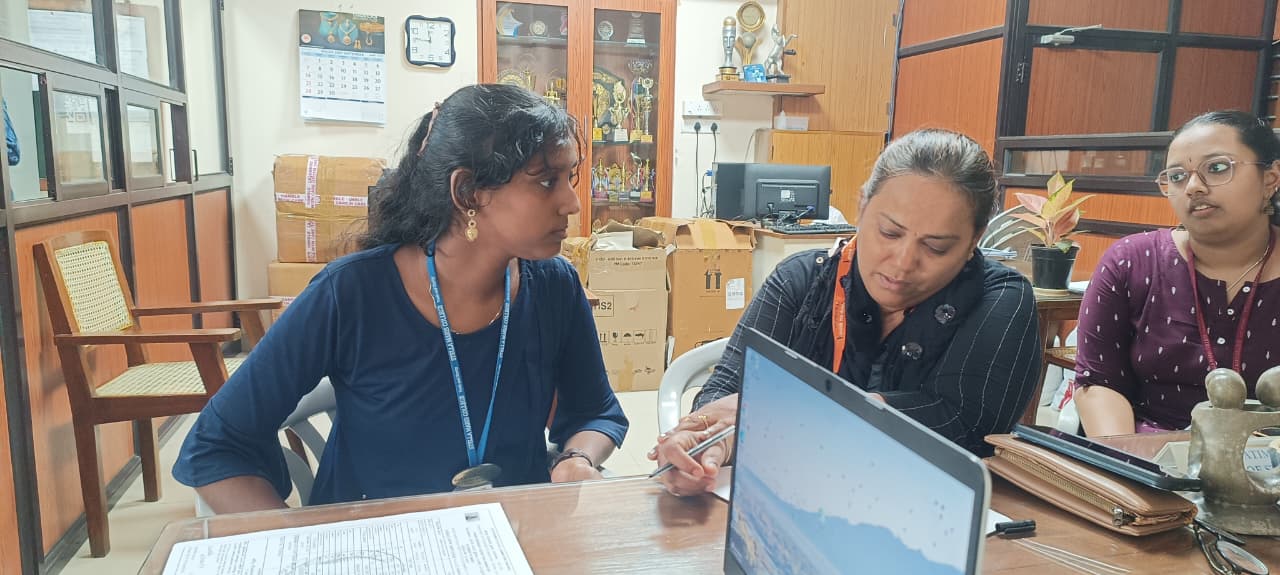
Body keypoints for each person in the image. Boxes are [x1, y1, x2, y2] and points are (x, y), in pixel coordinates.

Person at [174, 84, 628, 513]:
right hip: (371, 547)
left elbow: (595, 410)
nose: (572, 202)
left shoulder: (554, 285)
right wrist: (296, 548)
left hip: (513, 537)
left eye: (570, 177)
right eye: (547, 181)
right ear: (468, 193)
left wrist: (578, 459)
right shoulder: (349, 293)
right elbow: (216, 447)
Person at [651, 129, 1041, 496]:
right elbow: (724, 393)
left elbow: (963, 426)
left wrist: (782, 412)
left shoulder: (999, 300)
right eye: (889, 232)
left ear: (974, 241)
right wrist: (709, 445)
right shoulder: (802, 281)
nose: (903, 264)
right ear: (862, 205)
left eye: (936, 248)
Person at [1074, 110, 1280, 436]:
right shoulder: (1130, 261)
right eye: (1177, 176)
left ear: (1270, 179)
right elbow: (1099, 382)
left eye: (1216, 168)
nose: (1194, 187)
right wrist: (1128, 462)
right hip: (1150, 459)